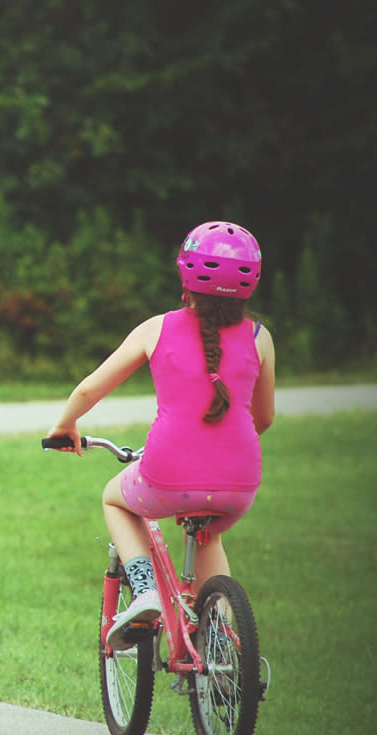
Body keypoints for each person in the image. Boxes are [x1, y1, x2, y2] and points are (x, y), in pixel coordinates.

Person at [46, 221, 276, 651]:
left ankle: (144, 588)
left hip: (166, 474)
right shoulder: (261, 339)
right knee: (208, 534)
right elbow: (262, 418)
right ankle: (223, 644)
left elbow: (89, 389)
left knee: (114, 497)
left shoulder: (157, 328)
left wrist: (65, 425)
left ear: (185, 276)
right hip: (238, 485)